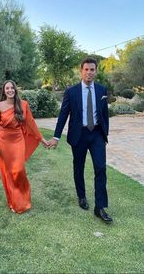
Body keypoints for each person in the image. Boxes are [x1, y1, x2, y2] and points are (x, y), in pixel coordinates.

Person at [48, 58, 113, 224]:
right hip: (79, 135)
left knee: (100, 168)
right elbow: (63, 115)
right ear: (81, 71)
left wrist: (105, 133)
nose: (89, 72)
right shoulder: (72, 92)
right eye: (86, 69)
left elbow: (104, 114)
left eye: (92, 70)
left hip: (97, 134)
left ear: (96, 71)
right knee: (79, 167)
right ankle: (82, 196)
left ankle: (100, 207)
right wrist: (56, 137)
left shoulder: (101, 90)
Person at [0, 80, 48, 214]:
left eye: (12, 88)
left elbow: (31, 123)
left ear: (15, 90)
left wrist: (41, 139)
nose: (10, 90)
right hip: (4, 142)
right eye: (7, 88)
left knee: (19, 170)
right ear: (4, 91)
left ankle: (22, 201)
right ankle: (13, 202)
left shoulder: (23, 105)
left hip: (18, 140)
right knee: (8, 173)